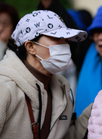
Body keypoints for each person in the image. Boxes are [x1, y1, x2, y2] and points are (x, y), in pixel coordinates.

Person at [0, 10, 87, 139]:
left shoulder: (61, 88)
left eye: (65, 39)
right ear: (30, 47)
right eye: (57, 38)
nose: (65, 45)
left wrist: (95, 111)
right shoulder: (4, 87)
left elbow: (65, 135)